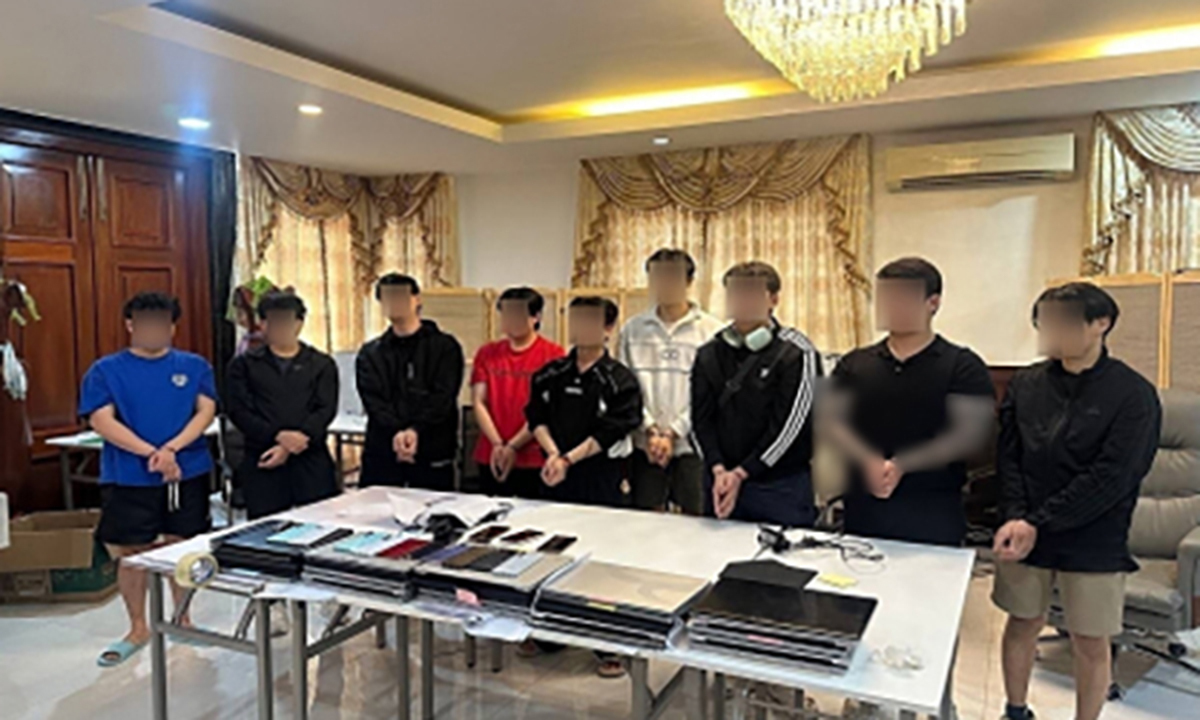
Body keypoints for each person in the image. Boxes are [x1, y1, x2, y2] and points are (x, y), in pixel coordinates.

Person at [993, 283, 1161, 720]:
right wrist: (1016, 516)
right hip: (1025, 526)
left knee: (1090, 639)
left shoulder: (1133, 394)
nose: (1050, 332)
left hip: (1093, 533)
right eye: (1043, 322)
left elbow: (1114, 477)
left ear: (1100, 323)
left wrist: (1039, 522)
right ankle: (1015, 710)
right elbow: (1008, 456)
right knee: (1022, 621)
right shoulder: (1027, 383)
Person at [79, 292, 217, 667]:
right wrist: (152, 453)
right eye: (146, 322)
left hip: (187, 471)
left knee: (182, 547)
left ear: (172, 326)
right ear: (130, 325)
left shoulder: (194, 366)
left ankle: (183, 619)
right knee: (133, 554)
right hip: (128, 475)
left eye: (162, 322)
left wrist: (171, 449)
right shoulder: (106, 370)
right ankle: (138, 627)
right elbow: (101, 420)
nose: (155, 329)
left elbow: (205, 411)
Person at [826, 257, 995, 546]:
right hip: (864, 504)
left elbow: (969, 436)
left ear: (933, 303)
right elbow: (831, 421)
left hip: (933, 506)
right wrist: (868, 459)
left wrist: (903, 464)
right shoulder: (854, 363)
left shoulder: (963, 364)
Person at [526, 296, 642, 678]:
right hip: (555, 472)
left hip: (600, 475)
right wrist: (553, 455)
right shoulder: (550, 373)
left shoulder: (620, 379)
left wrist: (567, 459)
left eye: (591, 321)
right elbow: (536, 418)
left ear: (608, 328)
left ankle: (607, 643)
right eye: (576, 319)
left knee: (603, 558)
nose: (581, 328)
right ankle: (549, 633)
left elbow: (613, 431)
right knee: (554, 553)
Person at [691, 261, 821, 527]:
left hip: (778, 486)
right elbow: (700, 420)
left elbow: (790, 426)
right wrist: (718, 468)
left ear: (773, 299)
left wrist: (743, 472)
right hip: (720, 482)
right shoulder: (709, 352)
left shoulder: (796, 352)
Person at [617, 249, 722, 515]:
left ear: (688, 281)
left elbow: (712, 393)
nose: (664, 284)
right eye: (657, 277)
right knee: (646, 518)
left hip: (692, 445)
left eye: (672, 277)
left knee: (696, 517)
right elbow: (626, 388)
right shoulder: (633, 329)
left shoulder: (712, 331)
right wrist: (651, 430)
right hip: (646, 445)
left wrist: (674, 431)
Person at [226, 291, 339, 519]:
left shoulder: (321, 364)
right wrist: (277, 436)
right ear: (262, 324)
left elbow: (325, 409)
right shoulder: (243, 365)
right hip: (264, 457)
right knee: (265, 529)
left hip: (311, 459)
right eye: (272, 320)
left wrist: (291, 444)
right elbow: (239, 410)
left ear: (299, 323)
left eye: (286, 320)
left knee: (320, 525)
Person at [356, 273, 464, 490]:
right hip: (384, 449)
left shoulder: (445, 347)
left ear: (417, 299)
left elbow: (443, 396)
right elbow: (373, 400)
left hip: (432, 447)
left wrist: (415, 430)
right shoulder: (371, 353)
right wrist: (397, 432)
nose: (394, 303)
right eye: (388, 297)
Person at [471, 287, 565, 499]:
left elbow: (546, 409)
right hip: (492, 452)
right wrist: (498, 444)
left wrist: (514, 445)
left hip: (534, 455)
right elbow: (479, 401)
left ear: (535, 317)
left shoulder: (553, 355)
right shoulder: (487, 353)